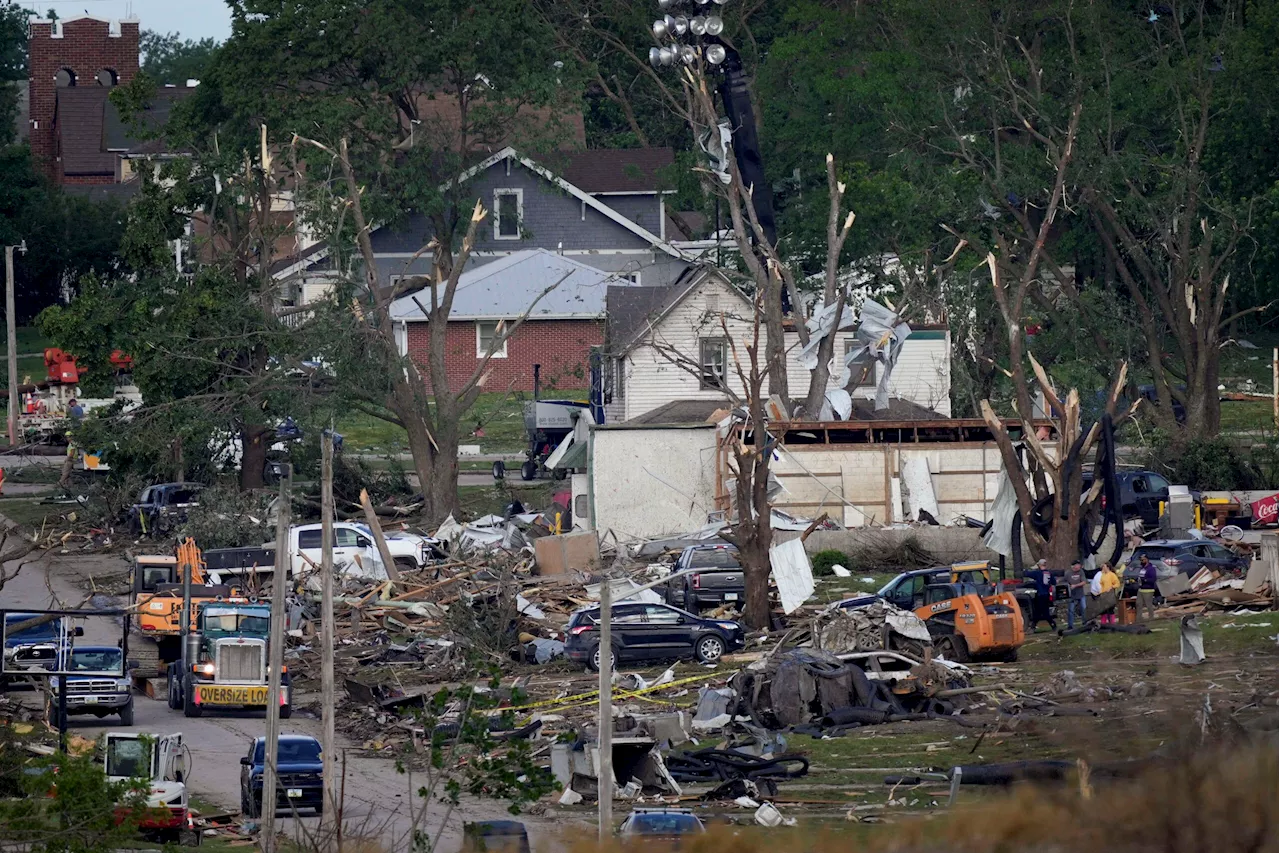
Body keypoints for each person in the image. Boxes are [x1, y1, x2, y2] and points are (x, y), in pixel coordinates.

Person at [1023, 558, 1058, 632]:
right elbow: (1054, 582)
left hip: (1040, 594)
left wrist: (1025, 571)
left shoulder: (1038, 573)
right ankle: (1034, 626)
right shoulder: (1049, 573)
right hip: (1047, 594)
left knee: (1042, 612)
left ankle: (1052, 625)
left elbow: (1027, 574)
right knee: (1040, 611)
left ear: (1039, 565)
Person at [1064, 559, 1087, 630]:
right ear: (1074, 566)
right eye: (1078, 565)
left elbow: (1084, 582)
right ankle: (1070, 626)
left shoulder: (1081, 572)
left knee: (1084, 608)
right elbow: (1064, 581)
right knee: (1071, 610)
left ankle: (1085, 623)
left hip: (1080, 594)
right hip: (1072, 595)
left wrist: (1075, 585)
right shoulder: (1068, 573)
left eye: (1079, 565)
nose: (1079, 566)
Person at [1137, 554, 1158, 622]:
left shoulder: (1151, 569)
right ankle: (1139, 618)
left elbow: (1153, 579)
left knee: (1148, 605)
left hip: (1148, 590)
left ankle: (1151, 618)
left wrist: (1145, 580)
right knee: (1138, 604)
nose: (1141, 561)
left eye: (1142, 560)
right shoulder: (1142, 568)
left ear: (1147, 560)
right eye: (1141, 560)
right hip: (1141, 589)